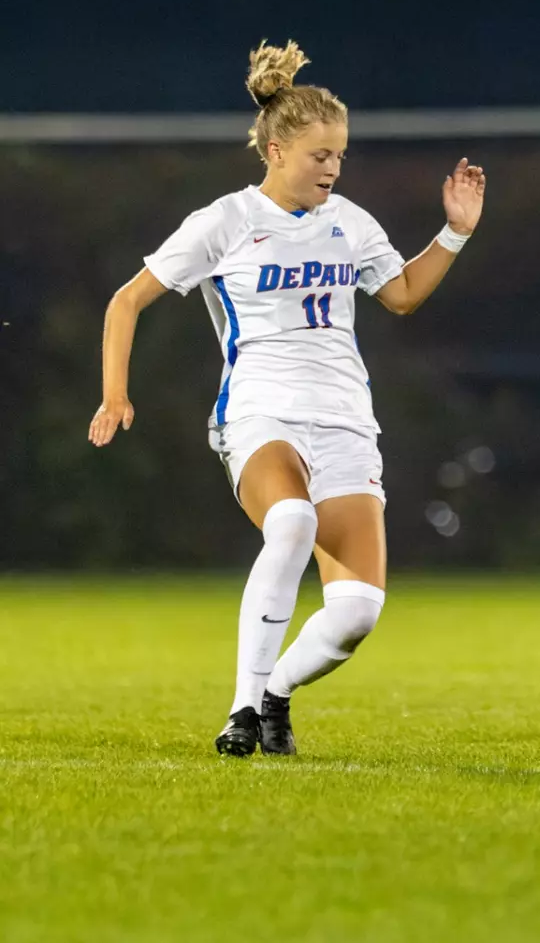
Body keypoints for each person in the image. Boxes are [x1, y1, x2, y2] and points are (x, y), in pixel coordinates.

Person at [88, 40, 487, 757]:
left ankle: (275, 695)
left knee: (357, 615)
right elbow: (127, 300)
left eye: (339, 155)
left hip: (345, 423)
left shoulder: (352, 224)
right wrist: (116, 395)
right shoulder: (226, 222)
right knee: (292, 520)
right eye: (318, 156)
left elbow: (399, 296)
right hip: (259, 412)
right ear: (274, 151)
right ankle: (241, 710)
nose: (332, 168)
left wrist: (454, 234)